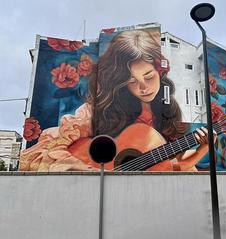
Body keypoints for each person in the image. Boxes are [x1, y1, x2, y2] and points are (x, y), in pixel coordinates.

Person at [20, 29, 214, 172]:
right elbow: (47, 150)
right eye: (132, 81)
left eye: (148, 76)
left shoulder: (168, 111)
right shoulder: (97, 110)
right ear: (120, 82)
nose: (143, 87)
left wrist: (203, 148)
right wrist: (94, 175)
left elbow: (171, 167)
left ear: (160, 72)